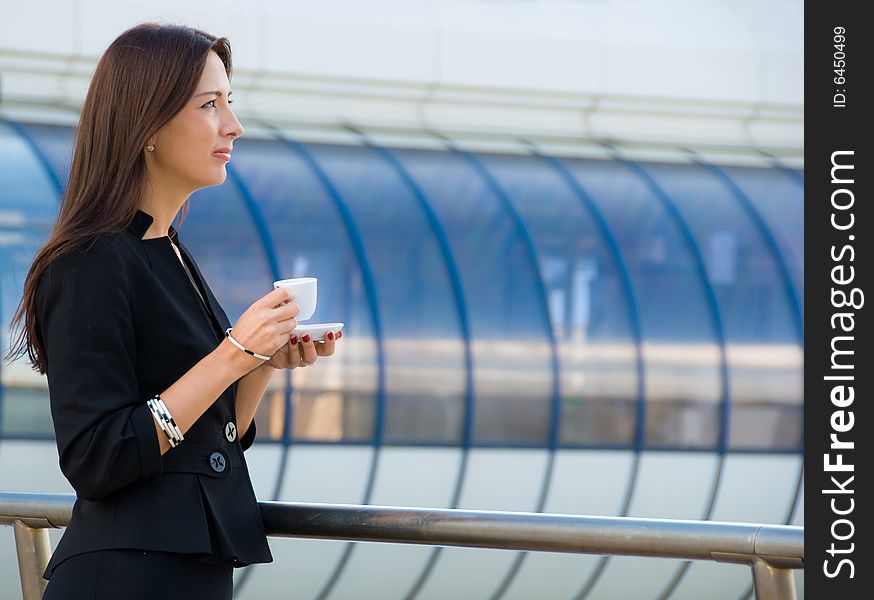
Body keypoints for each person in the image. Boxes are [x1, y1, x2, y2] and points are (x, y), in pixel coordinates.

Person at [3, 22, 340, 599]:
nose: (232, 124)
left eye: (229, 103)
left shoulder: (169, 251)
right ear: (148, 123)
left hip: (184, 571)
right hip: (124, 577)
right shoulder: (89, 261)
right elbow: (98, 457)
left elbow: (212, 429)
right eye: (210, 104)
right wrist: (235, 352)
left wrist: (261, 361)